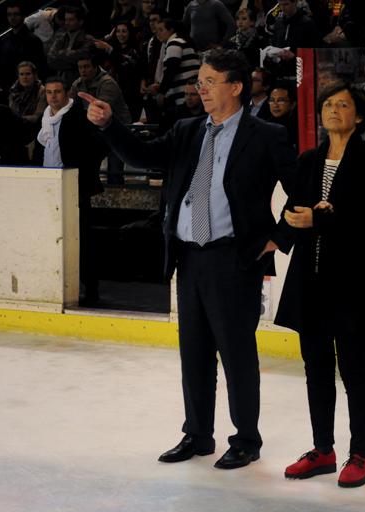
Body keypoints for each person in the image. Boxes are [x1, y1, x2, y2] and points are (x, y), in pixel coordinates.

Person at [81, 48, 296, 470]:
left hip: (234, 260)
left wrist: (278, 239)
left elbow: (303, 192)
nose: (201, 88)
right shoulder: (187, 129)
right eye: (199, 80)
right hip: (188, 258)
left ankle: (246, 440)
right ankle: (197, 435)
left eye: (210, 81)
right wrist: (110, 125)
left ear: (236, 87)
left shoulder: (266, 135)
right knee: (194, 353)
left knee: (236, 355)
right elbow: (142, 157)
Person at [275, 81, 365, 488]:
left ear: (358, 116)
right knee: (316, 367)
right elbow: (294, 208)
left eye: (343, 105)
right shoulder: (308, 159)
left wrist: (320, 217)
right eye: (328, 104)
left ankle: (361, 454)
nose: (333, 110)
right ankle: (323, 449)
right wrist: (288, 225)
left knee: (355, 368)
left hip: (351, 282)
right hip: (311, 279)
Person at [34, 76, 108, 303]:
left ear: (66, 93)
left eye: (57, 92)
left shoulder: (78, 115)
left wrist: (81, 174)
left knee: (82, 240)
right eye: (49, 92)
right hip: (49, 188)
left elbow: (98, 146)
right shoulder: (45, 118)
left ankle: (90, 288)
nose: (53, 96)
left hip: (75, 188)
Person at [0, 2, 47, 90]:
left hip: (28, 88)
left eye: (16, 14)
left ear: (23, 16)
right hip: (7, 87)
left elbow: (40, 67)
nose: (12, 18)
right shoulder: (3, 41)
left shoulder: (33, 40)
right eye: (9, 15)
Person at [267, 81, 298, 152]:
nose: (275, 105)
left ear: (292, 104)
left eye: (281, 100)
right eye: (272, 100)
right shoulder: (263, 125)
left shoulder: (297, 127)